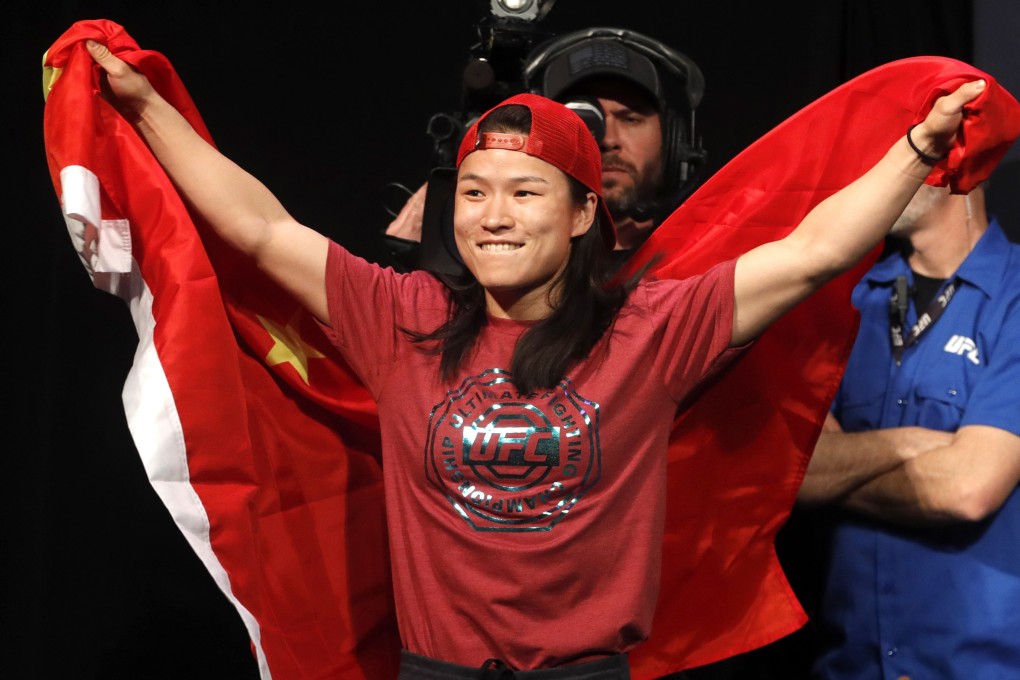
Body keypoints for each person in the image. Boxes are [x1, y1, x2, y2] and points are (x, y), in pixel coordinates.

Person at [83, 34, 984, 678]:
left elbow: (815, 249)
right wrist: (146, 105)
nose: (494, 214)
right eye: (474, 192)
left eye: (524, 192)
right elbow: (258, 227)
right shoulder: (403, 316)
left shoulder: (650, 328)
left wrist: (914, 150)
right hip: (433, 672)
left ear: (584, 213)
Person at [785, 178, 1020, 678]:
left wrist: (836, 469)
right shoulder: (841, 302)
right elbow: (792, 472)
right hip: (849, 663)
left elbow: (967, 488)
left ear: (959, 163)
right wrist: (911, 443)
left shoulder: (1014, 294)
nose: (883, 171)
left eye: (909, 148)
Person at [384, 28, 706, 270]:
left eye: (631, 118)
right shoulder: (492, 273)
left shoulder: (710, 260)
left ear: (675, 143)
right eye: (581, 119)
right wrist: (419, 264)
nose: (606, 138)